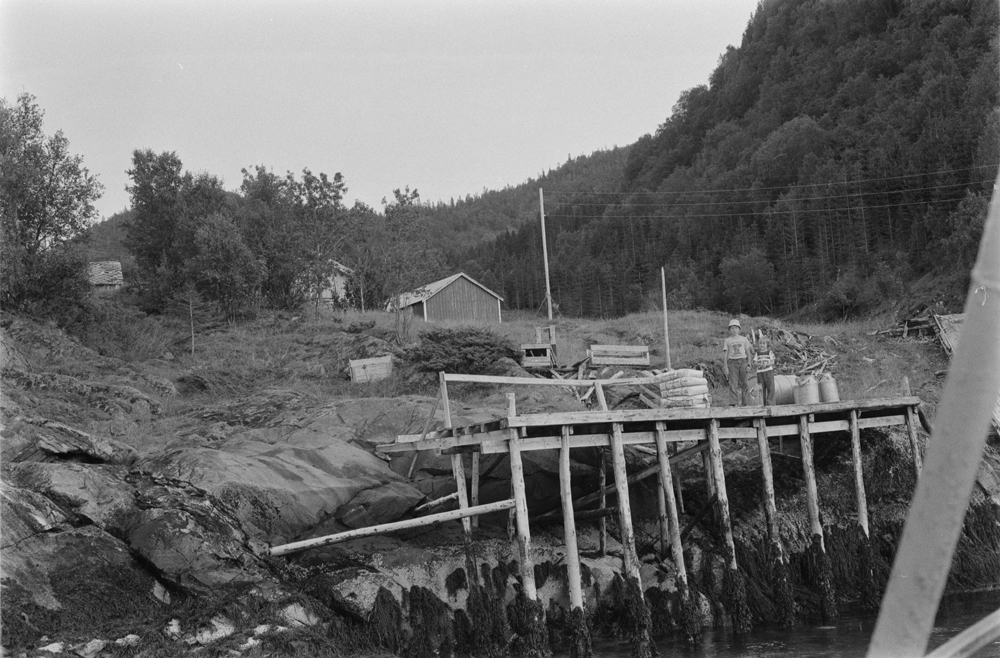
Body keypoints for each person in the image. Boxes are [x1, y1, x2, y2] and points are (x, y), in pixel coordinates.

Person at [722, 318, 754, 406]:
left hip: (743, 362)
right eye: (732, 328)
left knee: (744, 383)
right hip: (732, 363)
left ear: (739, 329)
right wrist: (726, 367)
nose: (734, 330)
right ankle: (733, 403)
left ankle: (746, 403)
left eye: (736, 328)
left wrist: (749, 364)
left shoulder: (744, 339)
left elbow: (748, 352)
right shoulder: (727, 341)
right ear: (729, 330)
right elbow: (725, 355)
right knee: (733, 383)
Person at [753, 334, 776, 406]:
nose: (761, 345)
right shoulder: (757, 353)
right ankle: (762, 404)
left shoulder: (769, 352)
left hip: (768, 372)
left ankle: (770, 403)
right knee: (761, 388)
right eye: (760, 343)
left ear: (767, 344)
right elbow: (755, 362)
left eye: (763, 343)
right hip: (760, 373)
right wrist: (759, 364)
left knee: (770, 387)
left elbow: (773, 362)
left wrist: (767, 364)